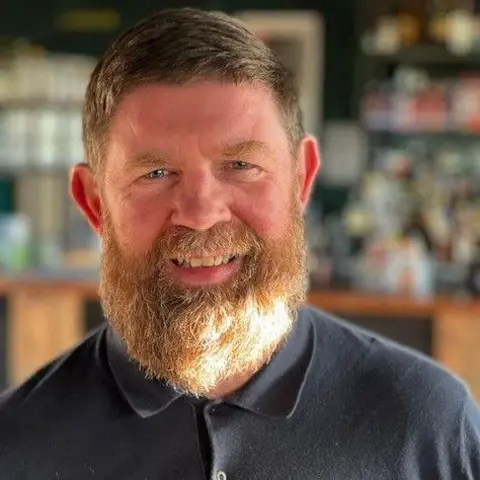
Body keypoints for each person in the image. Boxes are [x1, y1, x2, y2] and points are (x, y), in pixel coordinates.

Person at [1, 8, 479, 480]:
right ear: (94, 203)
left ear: (301, 178)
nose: (202, 212)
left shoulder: (426, 426)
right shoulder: (15, 448)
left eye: (241, 166)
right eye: (156, 173)